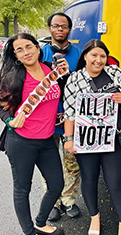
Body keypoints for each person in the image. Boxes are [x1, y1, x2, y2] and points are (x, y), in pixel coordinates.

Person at [0, 33, 65, 235]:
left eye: (29, 46)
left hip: (47, 140)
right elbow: (1, 109)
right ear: (15, 55)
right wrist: (10, 121)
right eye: (20, 50)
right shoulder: (14, 77)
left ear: (38, 48)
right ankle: (29, 232)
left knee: (57, 184)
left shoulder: (50, 70)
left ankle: (40, 222)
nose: (26, 52)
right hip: (21, 141)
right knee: (22, 189)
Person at [63, 39, 121, 235]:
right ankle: (94, 218)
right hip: (86, 140)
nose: (98, 60)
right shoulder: (74, 79)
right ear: (85, 56)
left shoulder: (114, 73)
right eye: (94, 55)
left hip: (111, 138)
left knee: (115, 180)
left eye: (102, 56)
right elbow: (69, 113)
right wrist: (69, 139)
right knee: (89, 178)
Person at [41, 12, 81, 221]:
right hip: (46, 118)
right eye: (56, 26)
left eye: (64, 26)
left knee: (72, 161)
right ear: (49, 28)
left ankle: (69, 200)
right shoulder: (40, 53)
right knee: (50, 163)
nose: (60, 30)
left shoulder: (80, 54)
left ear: (69, 29)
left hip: (72, 118)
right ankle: (53, 201)